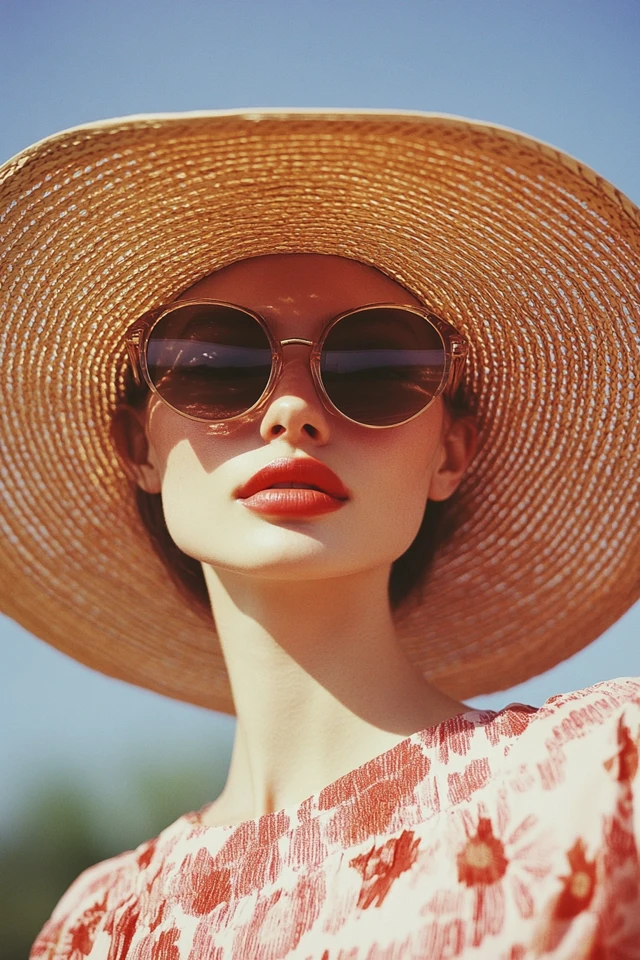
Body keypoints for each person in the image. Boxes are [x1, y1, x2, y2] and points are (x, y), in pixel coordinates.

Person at [1, 109, 638, 958]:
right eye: (216, 361)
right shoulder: (94, 927)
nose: (293, 413)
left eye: (378, 365)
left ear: (450, 453)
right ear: (137, 447)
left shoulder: (606, 777)